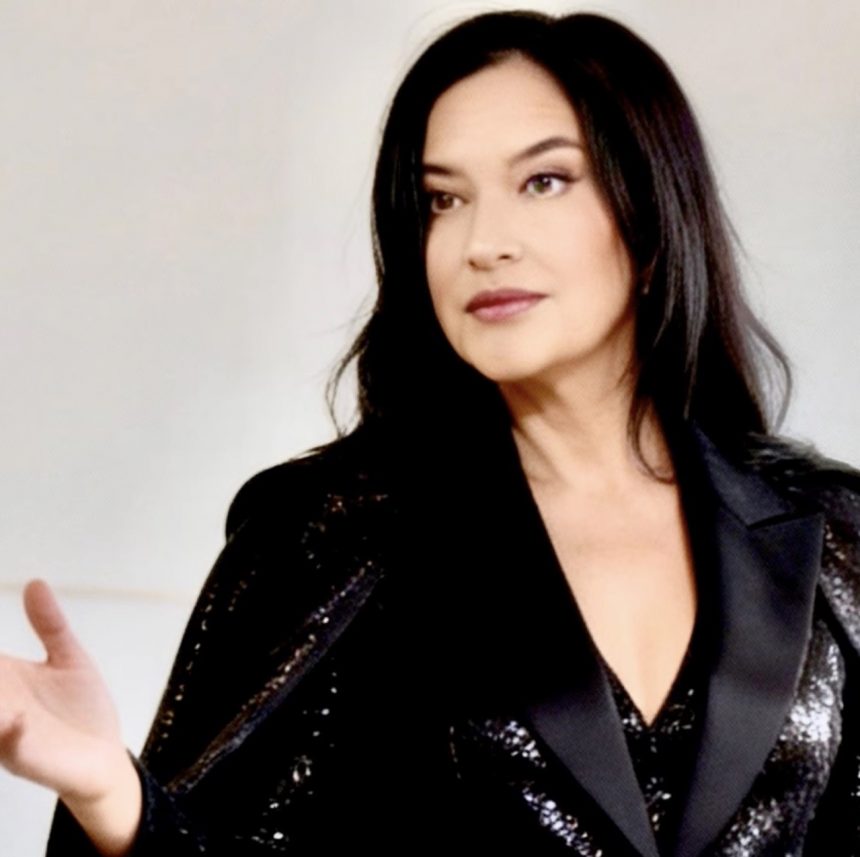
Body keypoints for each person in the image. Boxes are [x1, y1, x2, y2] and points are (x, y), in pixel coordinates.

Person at [2, 9, 859, 856]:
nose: (483, 243)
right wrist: (111, 795)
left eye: (544, 181)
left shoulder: (834, 535)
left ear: (652, 212)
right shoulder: (329, 536)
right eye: (443, 200)